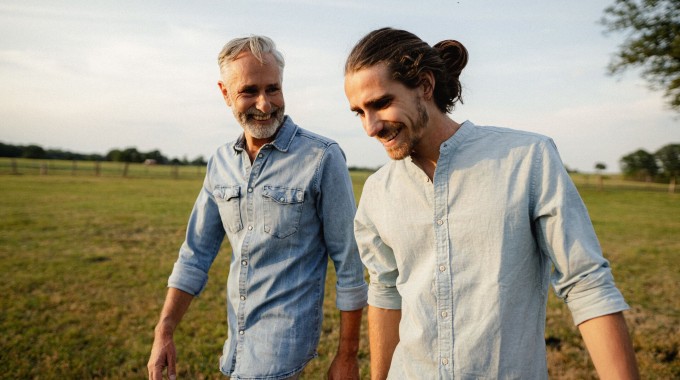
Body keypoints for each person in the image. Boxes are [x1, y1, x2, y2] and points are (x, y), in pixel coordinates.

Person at [343, 27, 639, 380]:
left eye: (380, 103)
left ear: (424, 85)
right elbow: (386, 292)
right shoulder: (377, 190)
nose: (371, 127)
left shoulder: (528, 159)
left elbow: (586, 283)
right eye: (359, 112)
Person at [148, 35, 368, 380]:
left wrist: (347, 356)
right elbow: (195, 254)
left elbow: (349, 264)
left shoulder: (322, 157)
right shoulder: (220, 162)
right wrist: (164, 331)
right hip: (236, 348)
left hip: (283, 351)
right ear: (224, 93)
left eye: (274, 89)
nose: (265, 105)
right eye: (249, 91)